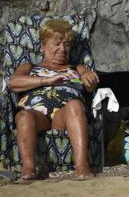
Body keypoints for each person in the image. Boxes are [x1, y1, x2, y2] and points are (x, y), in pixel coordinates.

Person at [9, 19, 100, 180]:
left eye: (66, 44)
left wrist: (88, 78)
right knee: (23, 116)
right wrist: (47, 81)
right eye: (57, 44)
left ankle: (82, 166)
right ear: (44, 45)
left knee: (75, 105)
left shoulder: (76, 68)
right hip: (37, 116)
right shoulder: (30, 67)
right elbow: (14, 83)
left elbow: (88, 80)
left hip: (65, 115)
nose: (62, 49)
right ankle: (29, 168)